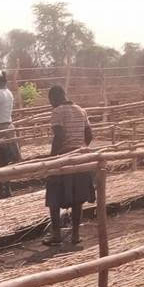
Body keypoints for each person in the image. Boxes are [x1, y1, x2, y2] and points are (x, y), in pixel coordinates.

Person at [44, 85, 94, 246]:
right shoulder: (81, 110)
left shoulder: (57, 112)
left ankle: (56, 234)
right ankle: (75, 235)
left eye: (51, 101)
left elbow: (59, 136)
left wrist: (53, 157)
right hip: (80, 157)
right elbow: (89, 134)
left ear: (54, 98)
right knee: (78, 198)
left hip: (64, 157)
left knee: (53, 197)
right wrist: (81, 146)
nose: (51, 104)